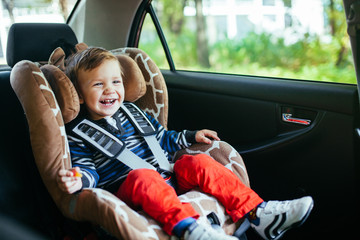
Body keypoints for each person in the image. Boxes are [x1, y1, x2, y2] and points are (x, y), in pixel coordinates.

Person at [57, 47, 314, 240]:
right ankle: (190, 230)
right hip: (129, 191)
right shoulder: (79, 132)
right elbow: (88, 169)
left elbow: (162, 139)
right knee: (144, 176)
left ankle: (259, 212)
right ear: (79, 94)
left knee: (196, 160)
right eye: (98, 84)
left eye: (115, 82)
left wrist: (191, 136)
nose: (110, 90)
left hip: (166, 178)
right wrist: (79, 179)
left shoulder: (134, 112)